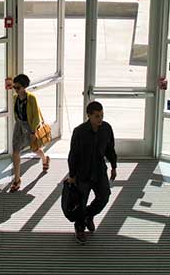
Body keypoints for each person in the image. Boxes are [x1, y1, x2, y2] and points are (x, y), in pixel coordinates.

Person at [66, 101, 116, 244]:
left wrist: (114, 166)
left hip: (99, 171)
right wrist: (72, 175)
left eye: (102, 115)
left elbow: (110, 149)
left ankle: (88, 215)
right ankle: (80, 228)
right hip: (83, 173)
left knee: (104, 197)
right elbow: (73, 155)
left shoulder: (106, 129)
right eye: (97, 116)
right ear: (89, 116)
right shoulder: (79, 132)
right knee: (81, 201)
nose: (100, 119)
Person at [9, 74, 49, 192]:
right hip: (19, 126)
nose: (15, 89)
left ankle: (45, 159)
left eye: (18, 87)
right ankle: (17, 180)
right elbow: (16, 113)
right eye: (14, 87)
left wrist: (33, 132)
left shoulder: (31, 98)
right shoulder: (15, 98)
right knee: (15, 151)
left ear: (24, 87)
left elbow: (36, 117)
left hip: (30, 127)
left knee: (35, 149)